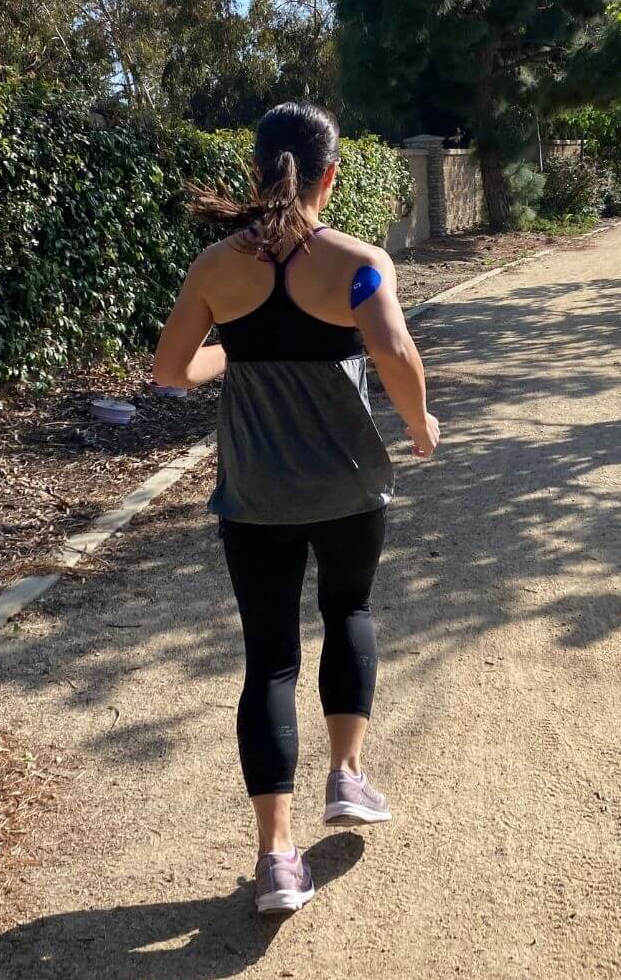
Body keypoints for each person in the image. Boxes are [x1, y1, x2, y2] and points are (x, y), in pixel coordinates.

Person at [153, 102, 438, 916]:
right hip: (348, 485)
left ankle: (276, 858)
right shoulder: (357, 261)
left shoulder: (216, 268)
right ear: (330, 176)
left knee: (269, 659)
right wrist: (420, 426)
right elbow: (393, 350)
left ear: (255, 174)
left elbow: (171, 371)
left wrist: (231, 351)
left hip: (256, 495)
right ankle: (346, 777)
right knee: (349, 608)